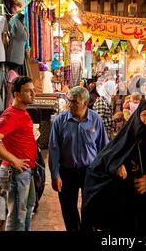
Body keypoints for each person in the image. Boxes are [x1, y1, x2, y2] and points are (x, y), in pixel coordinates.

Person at [82, 99, 146, 231]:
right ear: (138, 114)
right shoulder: (129, 133)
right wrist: (116, 166)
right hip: (127, 203)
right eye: (144, 114)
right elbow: (103, 160)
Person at [48, 87, 109, 231]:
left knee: (91, 207)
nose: (70, 105)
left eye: (74, 102)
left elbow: (103, 148)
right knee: (68, 209)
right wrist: (55, 175)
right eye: (69, 101)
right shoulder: (59, 121)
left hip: (90, 171)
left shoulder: (95, 120)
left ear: (86, 103)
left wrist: (103, 174)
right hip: (67, 172)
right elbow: (54, 149)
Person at [0, 76, 37, 231]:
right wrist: (14, 160)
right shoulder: (10, 115)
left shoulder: (22, 112)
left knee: (26, 210)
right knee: (16, 218)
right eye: (28, 91)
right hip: (15, 172)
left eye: (33, 90)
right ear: (17, 95)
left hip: (24, 171)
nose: (33, 94)